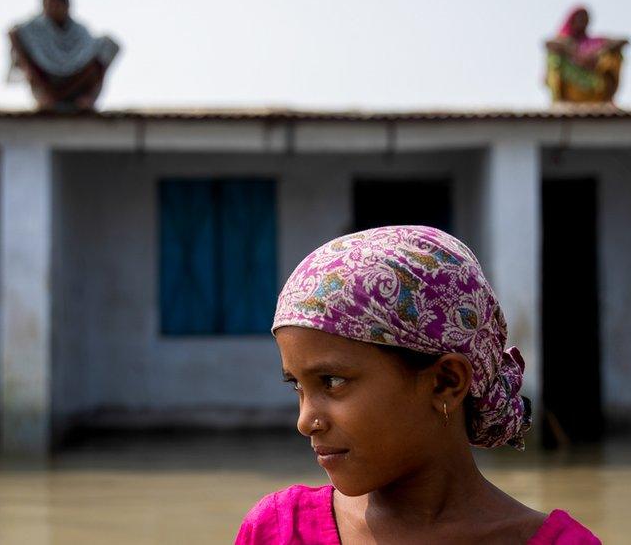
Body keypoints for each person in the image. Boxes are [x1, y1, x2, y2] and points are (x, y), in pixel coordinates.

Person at [235, 226, 600, 544]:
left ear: (446, 383)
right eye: (297, 386)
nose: (305, 421)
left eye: (332, 382)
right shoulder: (279, 530)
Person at [8, 0, 120, 111]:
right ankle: (46, 99)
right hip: (47, 81)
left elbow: (90, 48)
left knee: (108, 45)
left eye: (56, 5)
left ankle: (86, 99)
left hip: (75, 79)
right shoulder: (36, 28)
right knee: (22, 51)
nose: (53, 9)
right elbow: (14, 33)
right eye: (49, 5)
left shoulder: (78, 30)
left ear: (66, 7)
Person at [545, 6, 628, 104]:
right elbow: (548, 44)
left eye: (585, 18)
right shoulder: (565, 41)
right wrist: (575, 54)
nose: (582, 21)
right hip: (572, 87)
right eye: (579, 18)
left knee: (613, 56)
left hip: (596, 86)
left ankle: (607, 99)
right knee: (554, 58)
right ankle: (558, 99)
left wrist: (597, 54)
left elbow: (624, 41)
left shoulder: (595, 42)